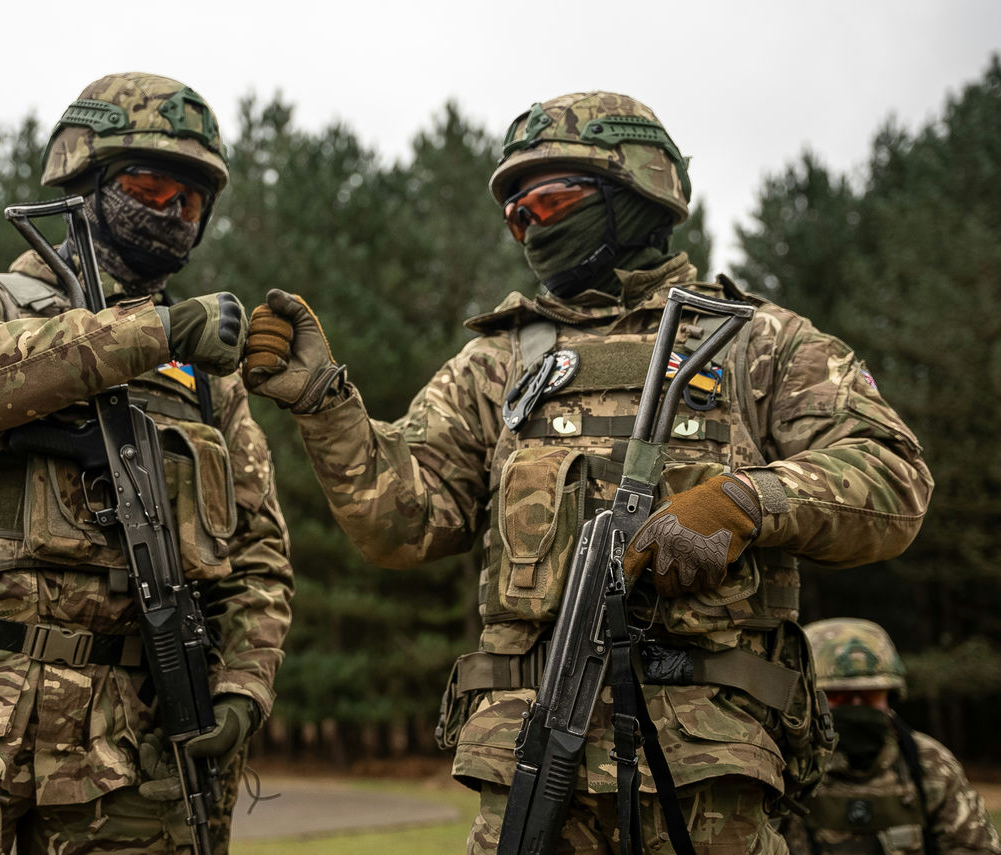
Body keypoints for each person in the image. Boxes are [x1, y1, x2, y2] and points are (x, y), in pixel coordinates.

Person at [240, 91, 933, 853]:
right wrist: (324, 404)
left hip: (708, 770)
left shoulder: (760, 345)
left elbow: (893, 478)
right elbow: (403, 521)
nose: (531, 225)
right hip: (532, 765)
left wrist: (747, 499)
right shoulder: (500, 361)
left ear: (637, 190)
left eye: (549, 199)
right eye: (516, 214)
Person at [0, 72, 293, 854]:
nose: (173, 215)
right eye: (149, 187)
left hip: (130, 747)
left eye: (192, 202)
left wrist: (243, 687)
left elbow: (260, 558)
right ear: (83, 179)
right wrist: (156, 333)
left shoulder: (212, 383)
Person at [782, 618, 1001, 855]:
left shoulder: (929, 763)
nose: (857, 705)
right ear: (804, 700)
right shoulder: (779, 765)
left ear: (891, 695)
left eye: (870, 695)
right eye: (839, 696)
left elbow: (976, 847)